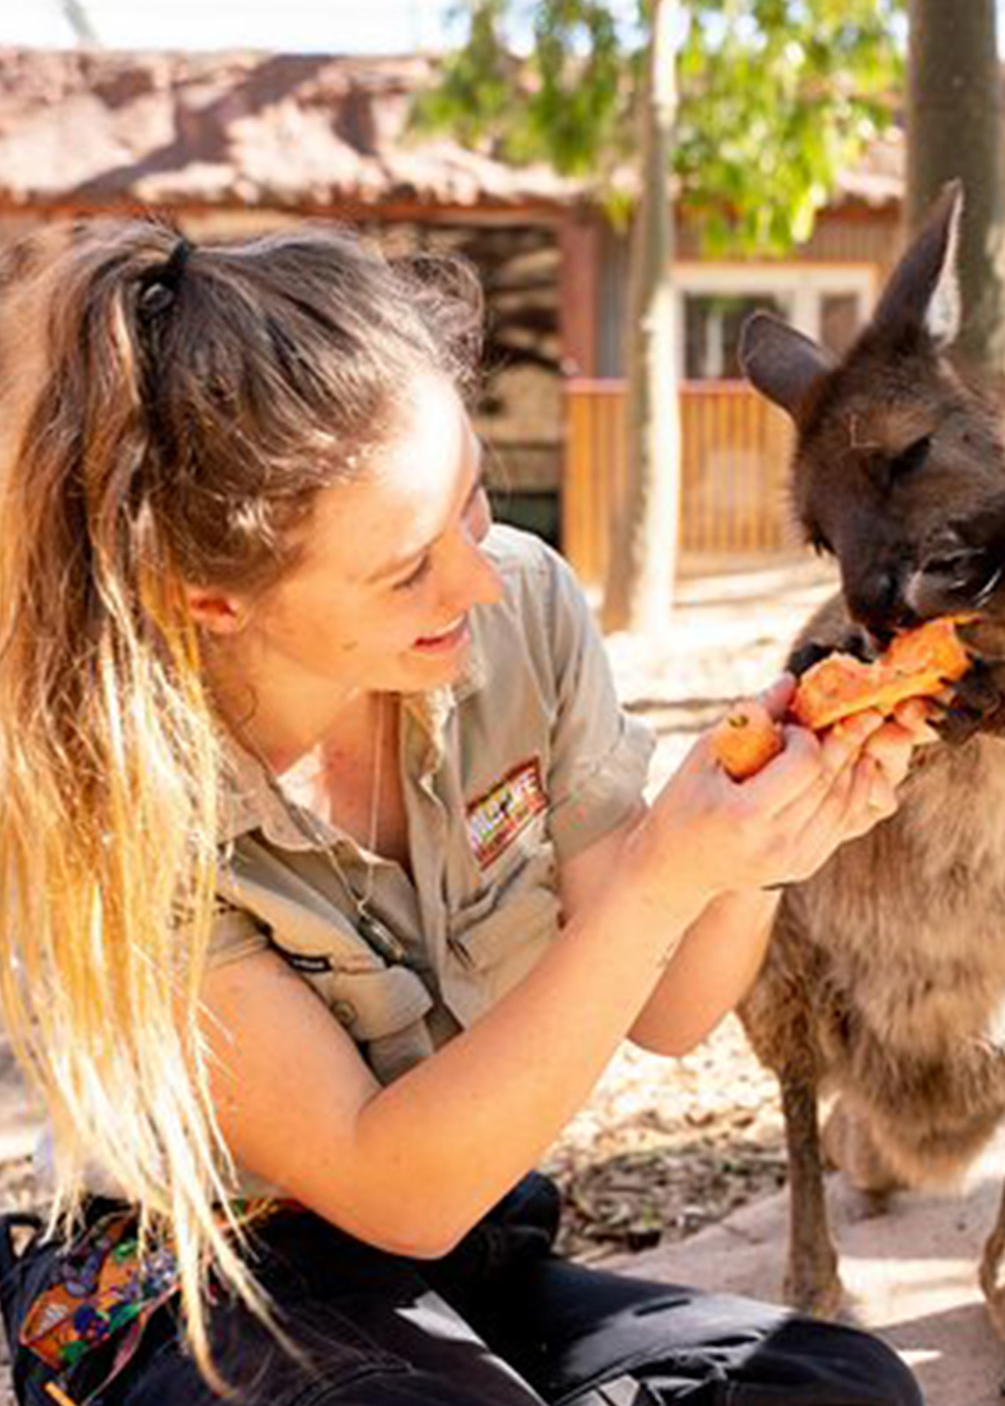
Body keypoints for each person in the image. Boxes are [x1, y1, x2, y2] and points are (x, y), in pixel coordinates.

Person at [0, 221, 933, 1406]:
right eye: (406, 569)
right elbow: (393, 1183)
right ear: (213, 599)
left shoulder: (519, 608)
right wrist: (661, 878)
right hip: (201, 1277)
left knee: (833, 1385)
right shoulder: (114, 788)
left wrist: (754, 854)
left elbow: (670, 1009)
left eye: (473, 501)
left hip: (451, 1263)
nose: (478, 578)